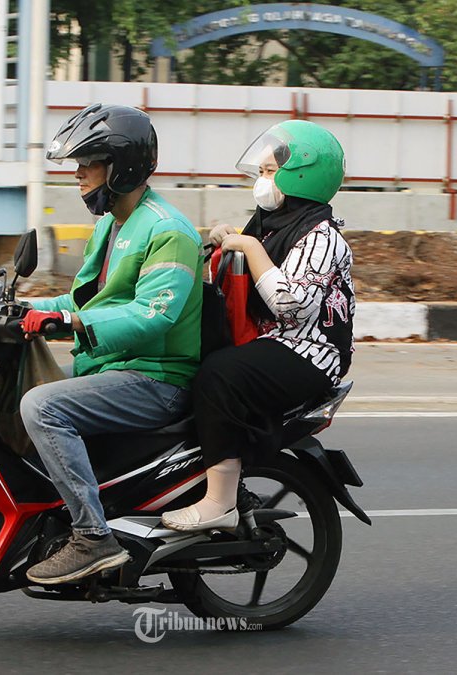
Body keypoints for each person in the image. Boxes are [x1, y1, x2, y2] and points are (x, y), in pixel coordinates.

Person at [20, 103, 204, 584]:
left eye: (88, 164)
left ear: (121, 167)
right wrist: (21, 307)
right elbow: (88, 297)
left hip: (155, 377)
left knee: (42, 407)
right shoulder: (113, 222)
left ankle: (92, 537)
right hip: (111, 368)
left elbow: (152, 315)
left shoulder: (168, 231)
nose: (78, 176)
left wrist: (71, 322)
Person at [162, 120, 356, 532]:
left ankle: (219, 501)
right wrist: (224, 238)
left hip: (309, 353)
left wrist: (249, 248)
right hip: (274, 342)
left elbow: (292, 307)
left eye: (270, 173)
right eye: (263, 172)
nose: (262, 181)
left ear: (302, 174)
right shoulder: (269, 226)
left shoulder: (322, 236)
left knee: (221, 375)